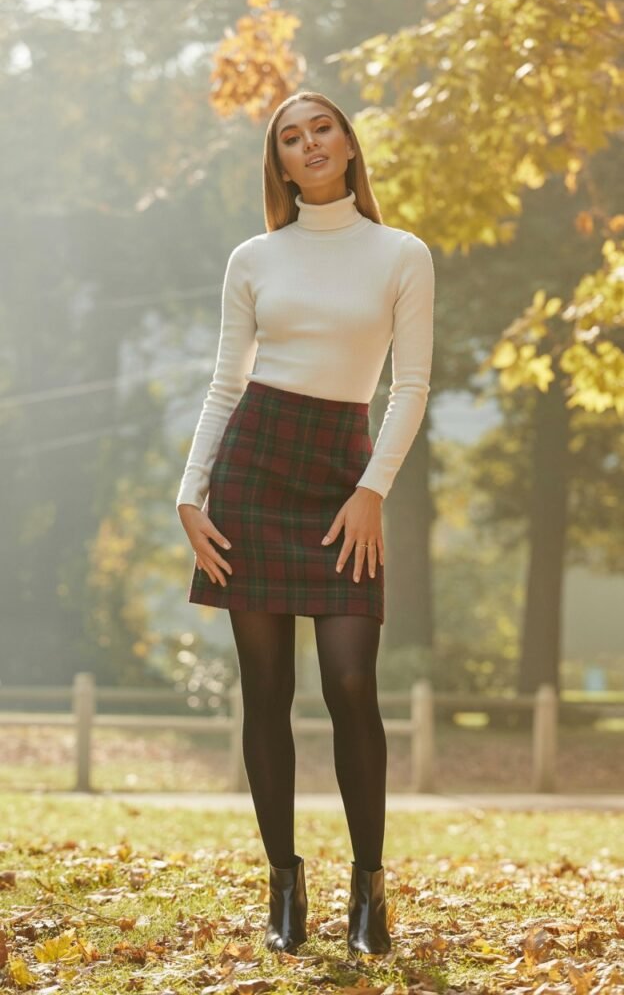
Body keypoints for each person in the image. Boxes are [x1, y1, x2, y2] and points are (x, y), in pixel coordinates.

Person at [176, 90, 435, 957]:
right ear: (279, 163)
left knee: (352, 682)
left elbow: (411, 386)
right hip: (253, 468)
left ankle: (369, 888)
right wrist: (190, 492)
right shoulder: (253, 257)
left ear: (350, 144)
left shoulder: (403, 254)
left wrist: (373, 489)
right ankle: (284, 881)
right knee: (267, 691)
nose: (309, 143)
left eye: (321, 127)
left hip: (343, 475)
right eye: (291, 137)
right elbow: (225, 382)